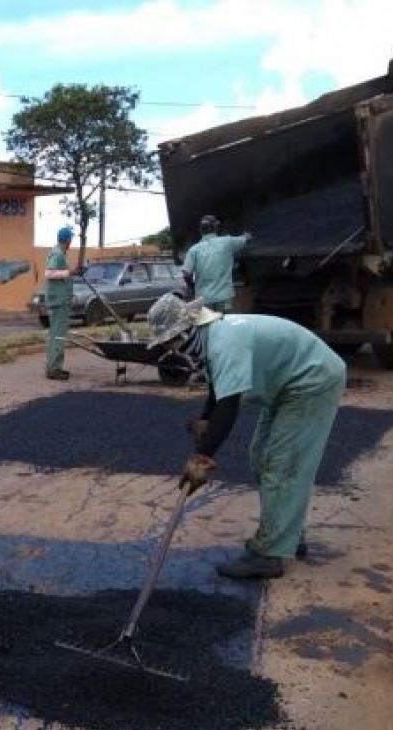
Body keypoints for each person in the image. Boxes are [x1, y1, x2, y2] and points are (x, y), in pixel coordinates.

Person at [147, 295, 346, 580]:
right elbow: (218, 390)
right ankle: (288, 533)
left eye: (170, 342)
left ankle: (271, 555)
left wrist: (202, 456)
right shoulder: (212, 337)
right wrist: (205, 421)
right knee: (261, 456)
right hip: (287, 385)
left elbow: (229, 407)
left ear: (184, 331)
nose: (172, 349)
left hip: (311, 381)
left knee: (280, 463)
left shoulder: (223, 342)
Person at [181, 215, 251, 312]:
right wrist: (247, 235)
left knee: (207, 324)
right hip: (224, 297)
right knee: (223, 324)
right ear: (216, 228)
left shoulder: (194, 250)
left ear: (201, 230)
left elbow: (186, 274)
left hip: (204, 298)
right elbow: (245, 238)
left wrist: (193, 289)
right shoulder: (228, 242)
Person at [43, 226, 81, 380]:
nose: (71, 242)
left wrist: (72, 272)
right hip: (58, 300)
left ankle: (54, 366)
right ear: (67, 240)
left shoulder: (59, 253)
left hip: (58, 299)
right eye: (70, 239)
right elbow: (49, 273)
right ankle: (54, 369)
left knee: (55, 335)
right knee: (58, 335)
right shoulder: (58, 254)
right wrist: (69, 272)